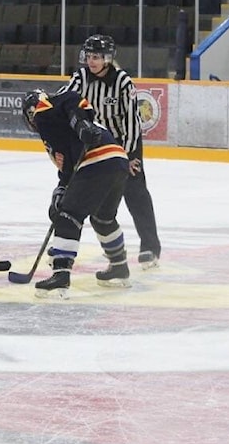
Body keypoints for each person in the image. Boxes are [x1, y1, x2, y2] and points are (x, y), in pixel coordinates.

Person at [60, 34, 162, 269]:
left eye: (97, 57)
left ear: (107, 58)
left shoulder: (123, 82)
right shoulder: (80, 77)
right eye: (89, 56)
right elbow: (66, 100)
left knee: (135, 194)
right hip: (96, 144)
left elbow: (132, 123)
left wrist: (128, 156)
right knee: (96, 199)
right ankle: (101, 249)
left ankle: (150, 246)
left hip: (126, 143)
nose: (92, 61)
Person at [21, 88, 131, 297]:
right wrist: (61, 190)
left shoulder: (45, 112)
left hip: (96, 161)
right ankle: (119, 267)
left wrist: (81, 123)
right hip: (117, 161)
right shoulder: (55, 129)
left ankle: (61, 276)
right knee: (103, 219)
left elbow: (71, 100)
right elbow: (68, 169)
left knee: (68, 216)